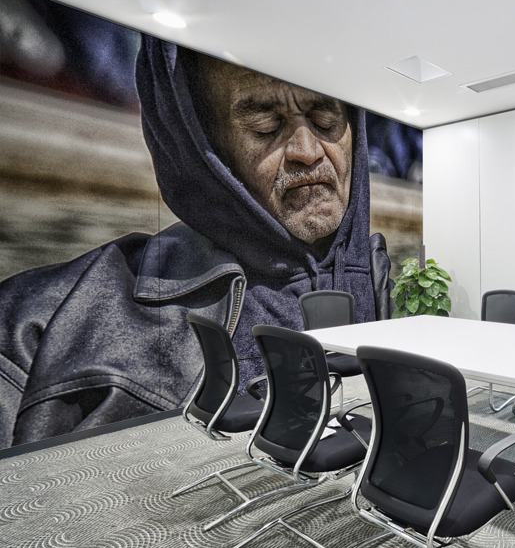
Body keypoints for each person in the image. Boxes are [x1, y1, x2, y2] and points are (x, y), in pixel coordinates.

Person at [0, 35, 391, 449]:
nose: (307, 151)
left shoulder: (384, 285)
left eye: (325, 119)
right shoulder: (37, 326)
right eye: (266, 126)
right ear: (204, 147)